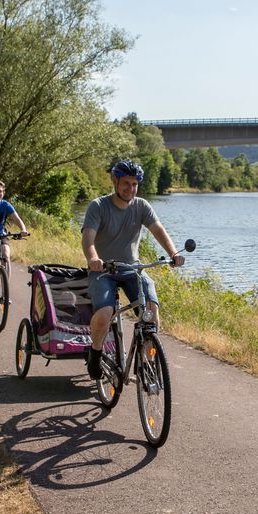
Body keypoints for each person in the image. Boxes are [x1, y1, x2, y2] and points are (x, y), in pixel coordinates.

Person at [81, 159, 185, 380]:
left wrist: (173, 254)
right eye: (126, 183)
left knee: (151, 312)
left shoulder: (141, 206)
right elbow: (88, 238)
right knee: (106, 313)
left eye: (135, 184)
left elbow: (158, 229)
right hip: (103, 271)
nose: (130, 188)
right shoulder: (98, 206)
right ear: (115, 181)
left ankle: (147, 362)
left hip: (132, 270)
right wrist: (93, 258)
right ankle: (96, 352)